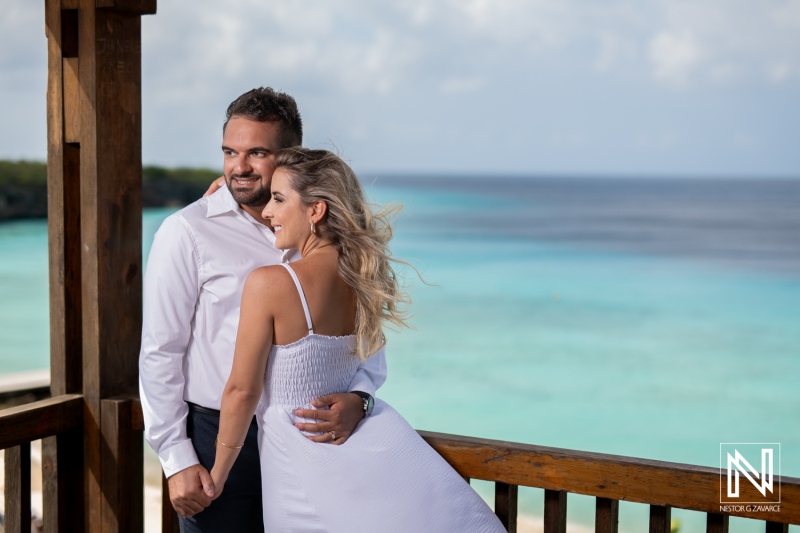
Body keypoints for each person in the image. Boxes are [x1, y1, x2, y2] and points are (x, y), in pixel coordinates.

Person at [209, 148, 506, 532]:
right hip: (365, 455)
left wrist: (218, 474)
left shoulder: (270, 283)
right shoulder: (363, 280)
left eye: (279, 199)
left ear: (315, 211)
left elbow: (241, 391)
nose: (267, 212)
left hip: (299, 466)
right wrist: (362, 402)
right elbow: (370, 368)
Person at [139, 88, 387, 532]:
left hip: (312, 442)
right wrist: (175, 458)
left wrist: (360, 399)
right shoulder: (186, 232)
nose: (239, 167)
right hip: (217, 440)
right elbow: (160, 351)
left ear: (290, 157)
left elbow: (363, 343)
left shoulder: (328, 238)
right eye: (230, 152)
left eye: (256, 152)